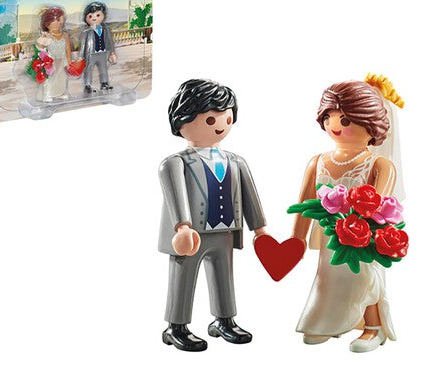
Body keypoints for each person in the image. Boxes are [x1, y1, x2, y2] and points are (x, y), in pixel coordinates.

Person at [291, 75, 404, 353]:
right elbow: (305, 202)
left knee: (364, 278)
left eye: (345, 120)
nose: (335, 126)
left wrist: (364, 230)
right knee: (328, 280)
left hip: (361, 237)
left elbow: (379, 206)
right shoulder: (318, 162)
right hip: (328, 235)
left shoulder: (379, 164)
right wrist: (297, 238)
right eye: (329, 117)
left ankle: (373, 326)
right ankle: (328, 322)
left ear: (371, 124)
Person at [158, 79, 268, 352]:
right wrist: (182, 226)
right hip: (192, 234)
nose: (220, 125)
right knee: (183, 278)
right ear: (182, 120)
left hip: (225, 230)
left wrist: (259, 229)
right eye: (210, 120)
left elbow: (250, 196)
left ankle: (224, 320)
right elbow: (176, 196)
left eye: (227, 118)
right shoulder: (176, 163)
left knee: (224, 276)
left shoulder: (236, 161)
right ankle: (176, 326)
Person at [36, 6, 72, 102]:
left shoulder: (65, 35)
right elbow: (40, 47)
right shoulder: (47, 35)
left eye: (62, 20)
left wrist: (69, 61)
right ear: (47, 22)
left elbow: (68, 49)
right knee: (50, 77)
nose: (61, 22)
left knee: (62, 77)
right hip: (50, 61)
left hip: (62, 59)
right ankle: (46, 94)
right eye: (58, 20)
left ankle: (60, 93)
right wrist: (42, 40)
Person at [80, 1, 117, 94]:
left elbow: (110, 41)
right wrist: (81, 57)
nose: (94, 18)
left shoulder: (106, 30)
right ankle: (87, 85)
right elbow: (83, 44)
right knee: (88, 69)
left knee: (103, 68)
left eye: (97, 15)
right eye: (90, 16)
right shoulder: (86, 32)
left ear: (103, 16)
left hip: (103, 53)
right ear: (86, 18)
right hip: (91, 54)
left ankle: (104, 83)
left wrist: (112, 53)